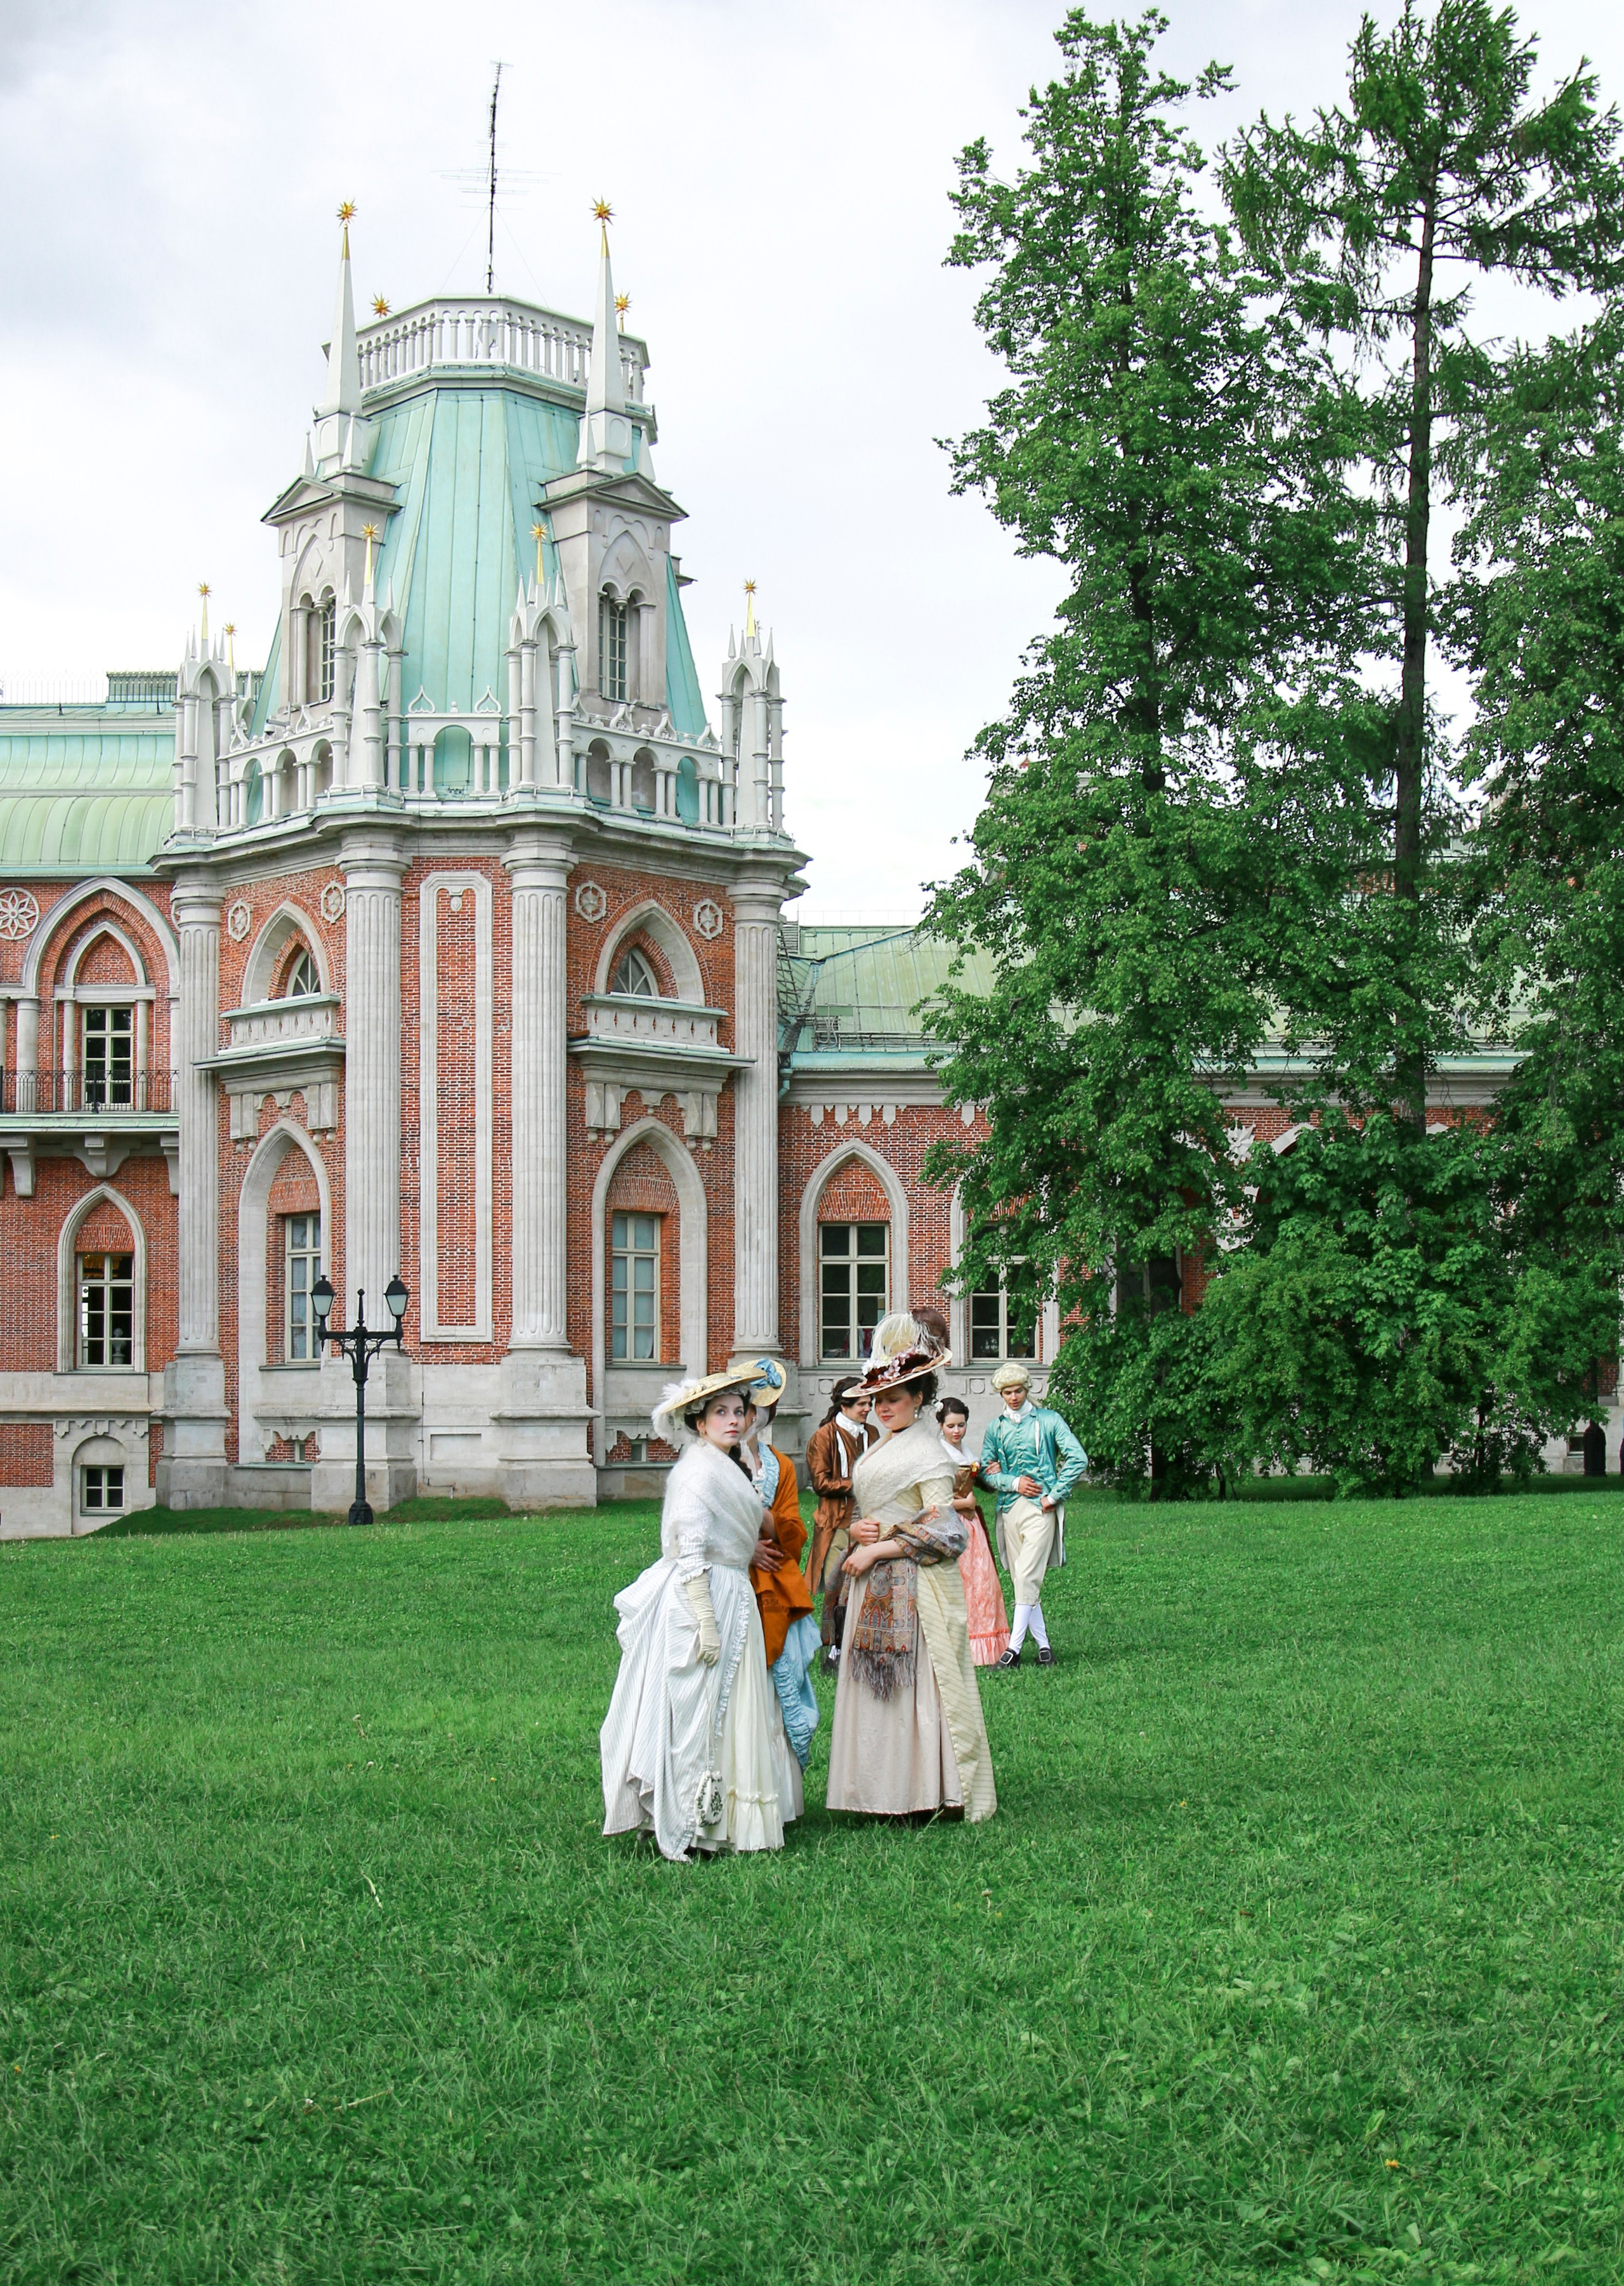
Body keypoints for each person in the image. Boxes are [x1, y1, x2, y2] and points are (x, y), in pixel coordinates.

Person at [600, 1362, 803, 1860]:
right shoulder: (696, 1471)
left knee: (732, 1708)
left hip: (734, 1591)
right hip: (703, 1596)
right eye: (721, 1413)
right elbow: (689, 1548)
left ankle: (725, 1817)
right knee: (696, 1710)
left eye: (739, 1411)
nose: (733, 1421)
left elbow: (748, 1526)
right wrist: (705, 1620)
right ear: (699, 1421)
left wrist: (756, 1538)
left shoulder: (728, 1465)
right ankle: (690, 1819)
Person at [826, 1313, 997, 1823]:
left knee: (916, 1687)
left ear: (919, 1397)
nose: (882, 1408)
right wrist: (858, 1530)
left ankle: (923, 1789)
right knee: (877, 1688)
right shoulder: (886, 1442)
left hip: (917, 1587)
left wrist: (879, 1550)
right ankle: (878, 1790)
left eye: (893, 1399)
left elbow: (948, 1530)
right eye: (878, 1401)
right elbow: (876, 1505)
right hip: (872, 1580)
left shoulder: (927, 1449)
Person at [978, 1360, 1087, 1670]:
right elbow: (987, 1472)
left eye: (1019, 1391)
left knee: (1026, 1575)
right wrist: (1012, 1481)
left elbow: (1078, 1458)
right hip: (1009, 1507)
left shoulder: (1049, 1420)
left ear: (1028, 1389)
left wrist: (1055, 1494)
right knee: (1021, 1580)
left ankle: (1012, 1650)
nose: (1014, 1397)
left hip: (1041, 1508)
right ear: (1001, 1394)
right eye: (1008, 1392)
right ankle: (1044, 1648)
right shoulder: (996, 1427)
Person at [740, 1376, 822, 1771]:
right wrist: (744, 1548)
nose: (749, 1418)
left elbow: (794, 1532)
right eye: (743, 1409)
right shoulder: (718, 1459)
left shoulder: (782, 1466)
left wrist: (765, 1518)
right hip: (732, 1580)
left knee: (780, 1676)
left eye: (758, 1409)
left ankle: (777, 1782)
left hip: (775, 1576)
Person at [804, 1376, 878, 1665]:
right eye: (862, 1403)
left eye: (869, 1403)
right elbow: (821, 1483)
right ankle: (833, 1649)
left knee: (866, 1582)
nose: (868, 1408)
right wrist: (859, 1483)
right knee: (836, 1586)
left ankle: (862, 1643)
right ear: (844, 1405)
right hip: (837, 1523)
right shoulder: (824, 1436)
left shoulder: (871, 1433)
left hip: (870, 1519)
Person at [937, 1395, 1010, 1667]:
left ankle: (988, 1647)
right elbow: (931, 1500)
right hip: (949, 1526)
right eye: (951, 1426)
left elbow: (983, 1484)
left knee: (984, 1584)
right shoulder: (939, 1455)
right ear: (941, 1426)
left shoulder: (966, 1452)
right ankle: (962, 1649)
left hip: (972, 1526)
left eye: (962, 1425)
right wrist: (963, 1503)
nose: (957, 1431)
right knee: (962, 1585)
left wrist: (993, 1473)